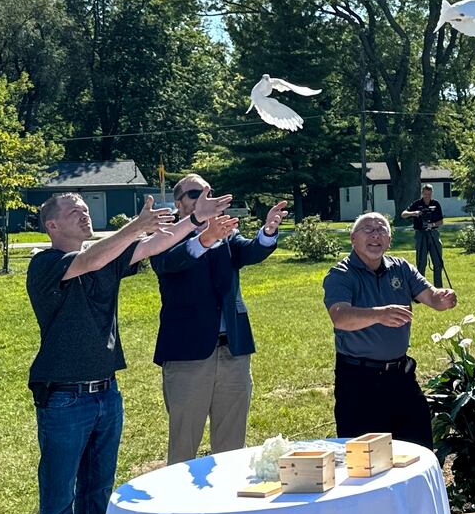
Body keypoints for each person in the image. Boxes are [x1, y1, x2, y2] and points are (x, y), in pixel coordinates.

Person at [26, 192, 195, 514]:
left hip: (106, 394)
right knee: (59, 497)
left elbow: (156, 244)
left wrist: (195, 219)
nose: (84, 215)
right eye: (73, 212)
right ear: (53, 227)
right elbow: (89, 261)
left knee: (98, 491)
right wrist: (136, 226)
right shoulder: (45, 264)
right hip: (64, 396)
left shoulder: (105, 257)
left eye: (86, 210)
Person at [153, 175, 290, 466]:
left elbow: (248, 252)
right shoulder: (165, 234)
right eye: (194, 194)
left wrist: (267, 231)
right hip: (188, 354)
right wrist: (204, 238)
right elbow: (168, 263)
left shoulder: (225, 231)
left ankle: (228, 508)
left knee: (231, 446)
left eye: (209, 193)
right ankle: (177, 510)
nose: (205, 198)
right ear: (179, 204)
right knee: (184, 445)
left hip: (234, 351)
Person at [323, 211, 458, 447]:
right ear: (353, 239)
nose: (375, 234)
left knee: (418, 448)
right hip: (358, 380)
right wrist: (379, 314)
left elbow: (430, 297)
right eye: (368, 229)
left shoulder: (401, 268)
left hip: (401, 376)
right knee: (364, 459)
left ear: (389, 240)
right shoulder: (341, 274)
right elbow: (340, 318)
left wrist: (442, 297)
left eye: (381, 229)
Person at [400, 183, 446, 287]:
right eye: (425, 194)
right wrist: (414, 213)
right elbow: (403, 214)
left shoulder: (436, 204)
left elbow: (441, 221)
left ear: (432, 194)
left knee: (438, 262)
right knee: (421, 263)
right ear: (422, 193)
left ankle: (438, 288)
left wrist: (432, 224)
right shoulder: (417, 204)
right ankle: (421, 289)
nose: (427, 196)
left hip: (433, 233)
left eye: (429, 194)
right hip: (420, 234)